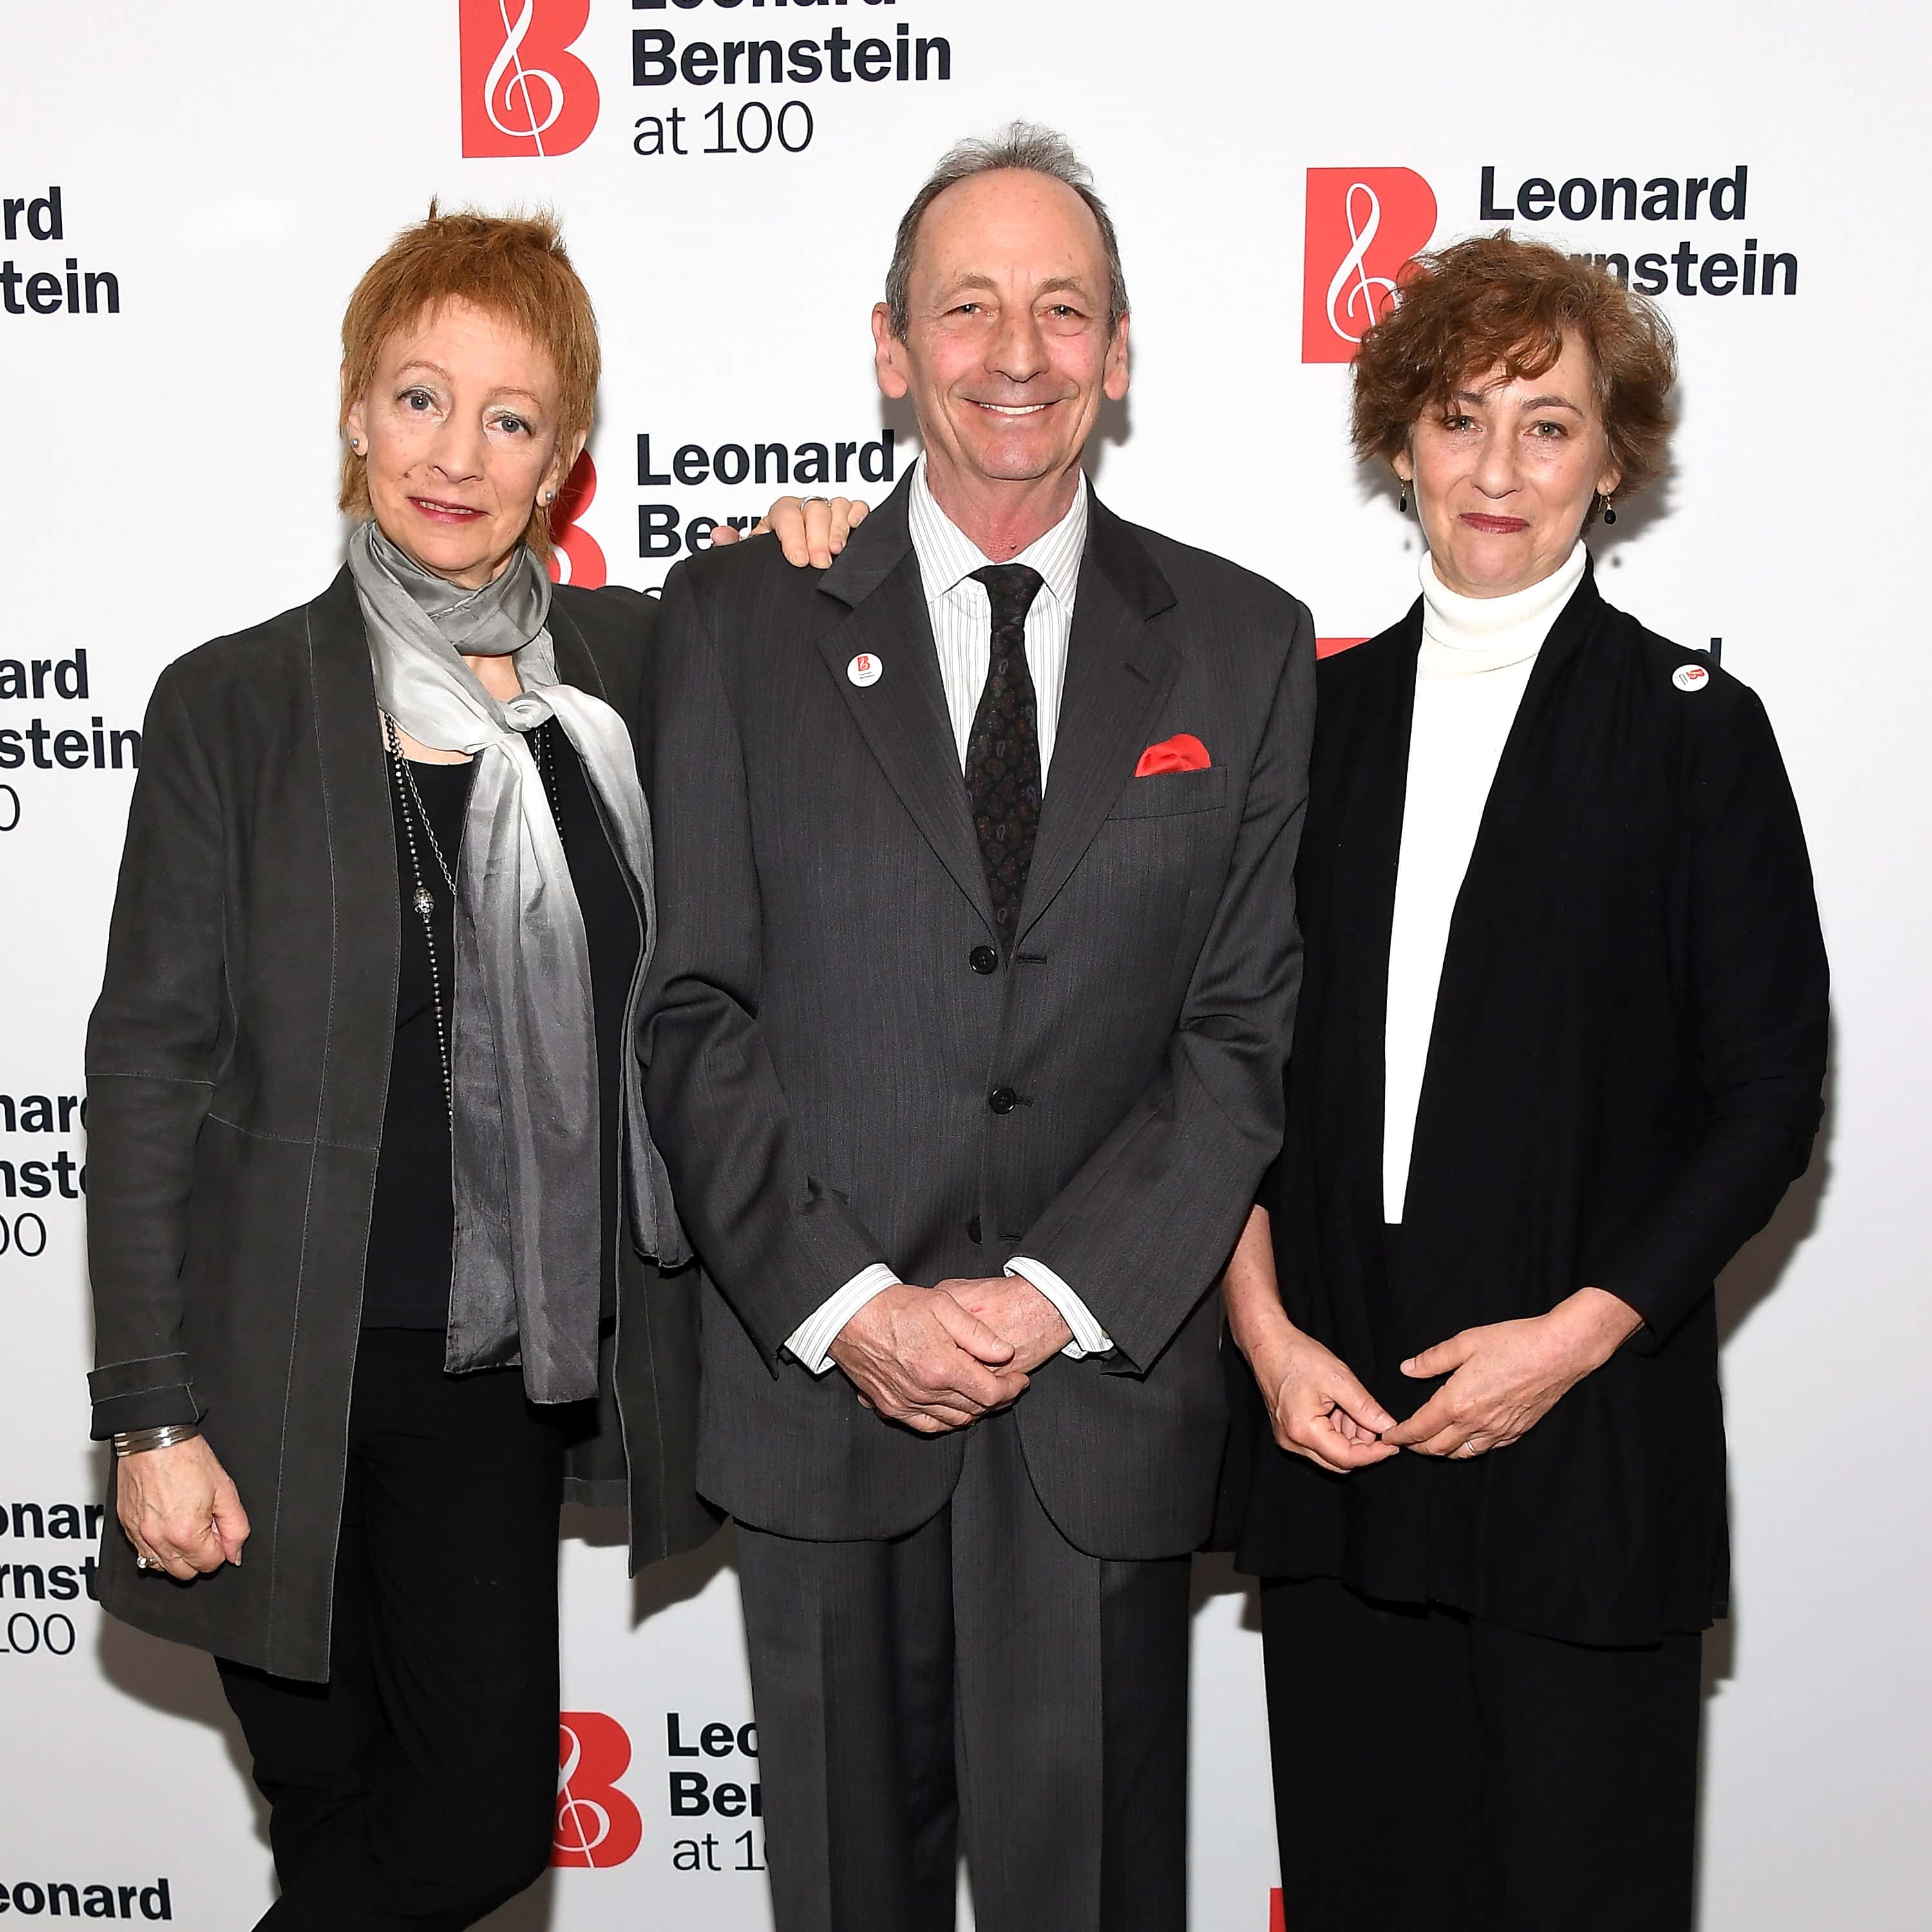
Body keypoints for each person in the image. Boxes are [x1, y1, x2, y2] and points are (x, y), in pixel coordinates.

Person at [82, 207, 831, 1929]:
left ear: (563, 458)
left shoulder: (639, 669)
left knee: (475, 1832)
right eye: (421, 398)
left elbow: (839, 650)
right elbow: (146, 1071)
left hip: (494, 1373)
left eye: (510, 418)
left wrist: (816, 548)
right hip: (264, 1374)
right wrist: (150, 1415)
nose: (457, 453)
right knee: (332, 1820)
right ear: (355, 412)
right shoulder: (238, 705)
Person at [639, 123, 1314, 1932]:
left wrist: (1055, 1299)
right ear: (889, 347)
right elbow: (692, 1004)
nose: (1016, 351)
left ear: (1117, 351)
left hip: (1095, 1396)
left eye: (1063, 308)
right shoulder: (732, 619)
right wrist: (855, 1307)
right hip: (823, 1394)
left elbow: (1241, 1031)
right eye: (968, 308)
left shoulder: (1245, 647)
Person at [1219, 232, 1830, 1930]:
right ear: (1400, 438)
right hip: (1336, 1441)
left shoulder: (1697, 730)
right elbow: (1220, 1077)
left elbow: (1769, 1098)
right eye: (1463, 415)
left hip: (1584, 1462)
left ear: (1613, 460)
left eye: (1548, 424)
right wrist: (1266, 1342)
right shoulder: (1305, 728)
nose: (1499, 466)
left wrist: (1572, 1341)